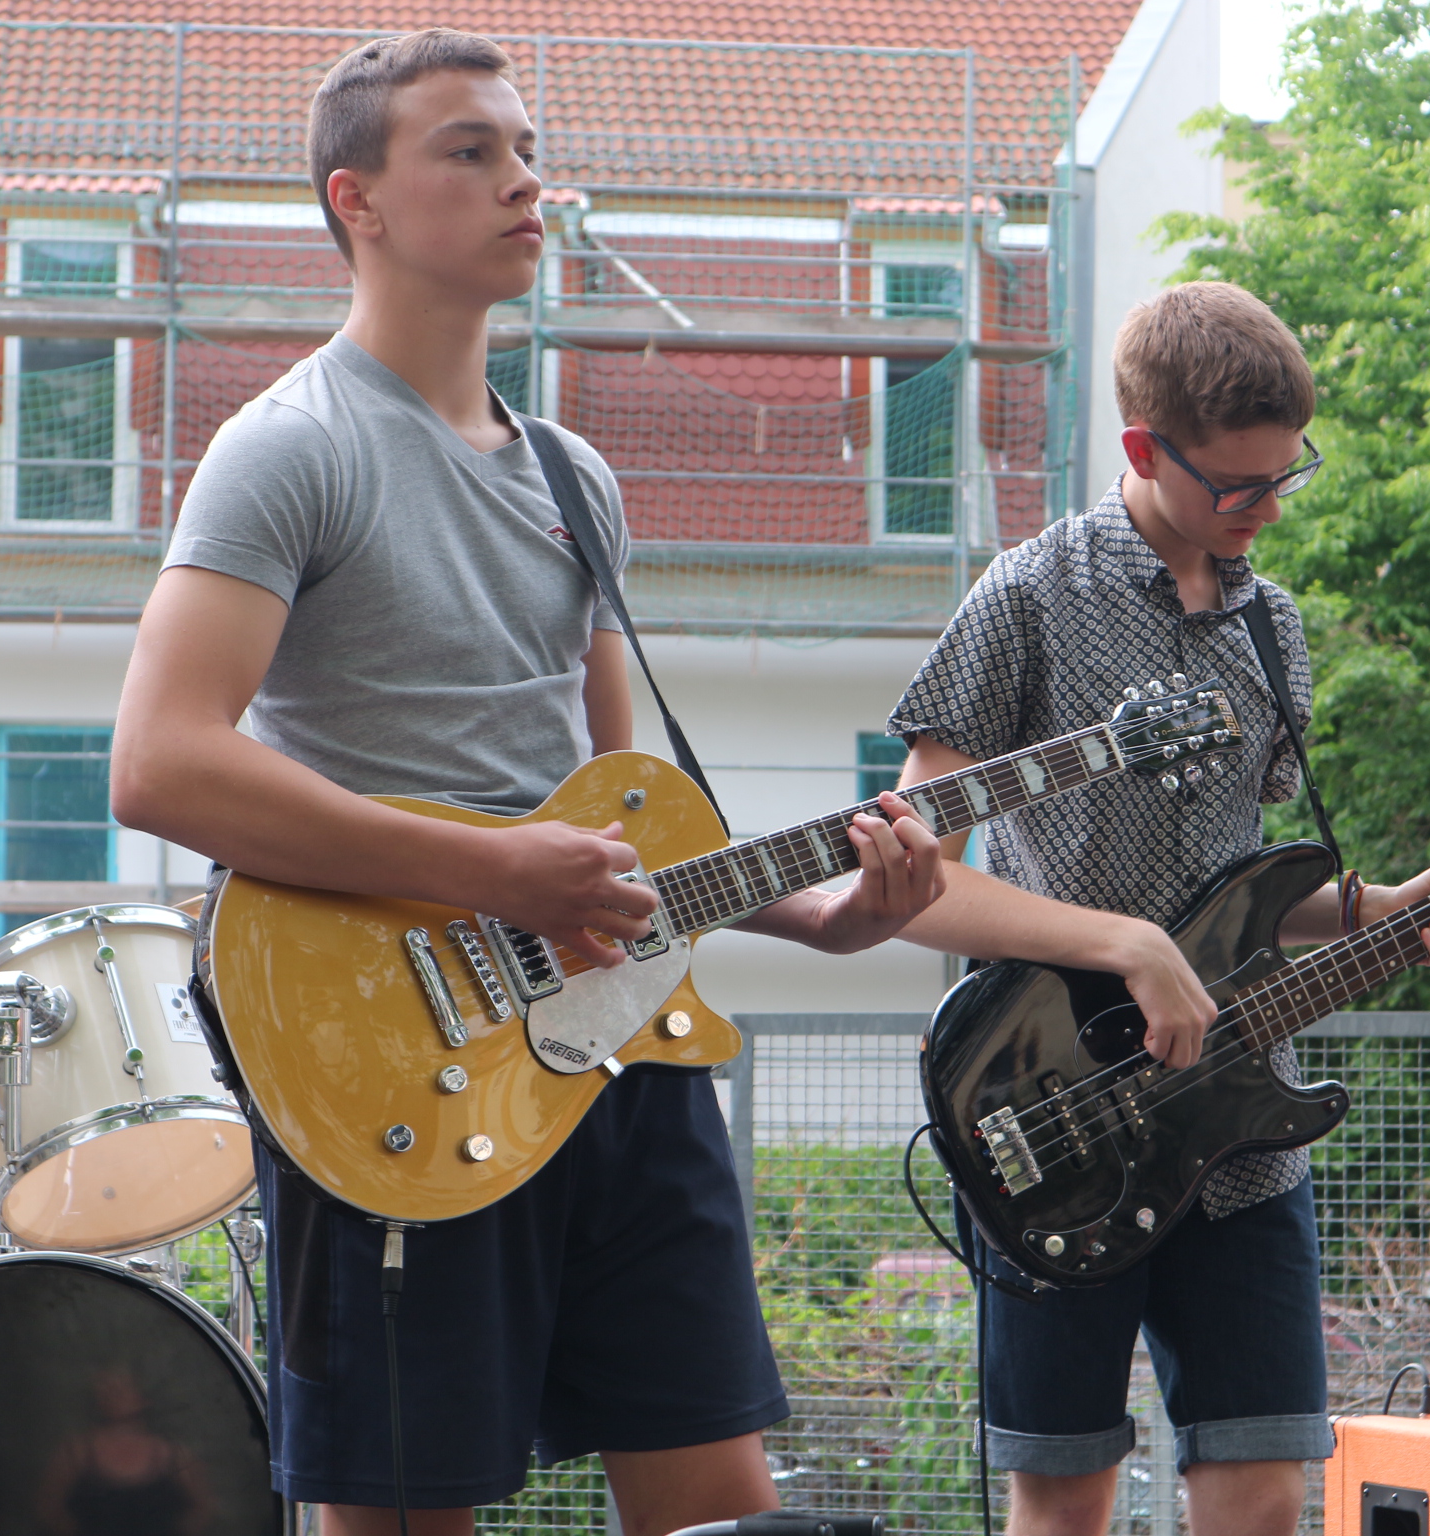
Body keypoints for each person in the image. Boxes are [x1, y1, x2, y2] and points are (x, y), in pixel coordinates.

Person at [109, 30, 945, 1535]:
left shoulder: (578, 479)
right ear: (357, 199)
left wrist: (828, 917)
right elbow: (160, 763)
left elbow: (622, 818)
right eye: (471, 150)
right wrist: (496, 872)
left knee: (723, 1511)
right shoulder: (285, 449)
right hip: (383, 1050)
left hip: (622, 1051)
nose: (524, 181)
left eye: (526, 150)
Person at [886, 281, 1430, 1536]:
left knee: (1267, 1498)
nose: (1270, 510)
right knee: (1065, 1501)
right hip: (1045, 1107)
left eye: (1288, 476)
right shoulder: (1027, 595)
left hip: (1240, 1132)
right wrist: (1128, 946)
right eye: (1239, 487)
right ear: (1144, 448)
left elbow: (1246, 892)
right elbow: (914, 882)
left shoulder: (1273, 625)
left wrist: (1380, 907)